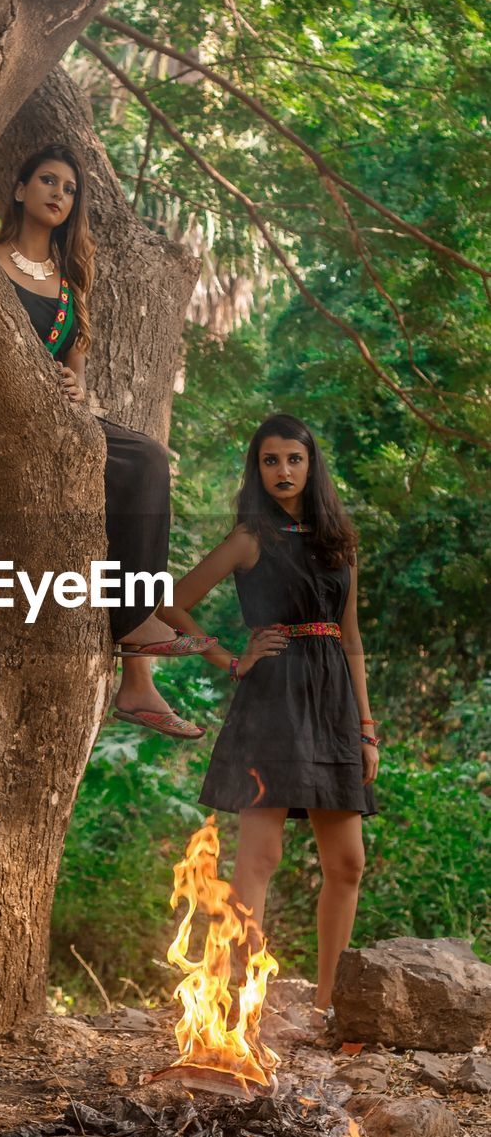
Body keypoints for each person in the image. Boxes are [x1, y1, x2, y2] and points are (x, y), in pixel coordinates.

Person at [0, 144, 213, 740]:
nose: (58, 194)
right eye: (46, 180)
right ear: (19, 189)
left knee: (143, 464)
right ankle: (138, 624)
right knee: (141, 456)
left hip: (62, 421)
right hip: (4, 420)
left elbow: (80, 382)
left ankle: (137, 680)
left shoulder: (68, 286)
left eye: (68, 188)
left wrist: (75, 387)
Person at [162, 414, 379, 1011]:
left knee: (348, 862)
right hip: (273, 700)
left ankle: (329, 1003)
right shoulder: (249, 537)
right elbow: (172, 604)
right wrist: (232, 659)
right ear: (257, 470)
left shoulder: (341, 540)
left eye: (293, 459)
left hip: (332, 701)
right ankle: (239, 1002)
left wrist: (366, 728)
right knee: (260, 857)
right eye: (270, 461)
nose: (282, 471)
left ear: (311, 467)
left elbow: (351, 636)